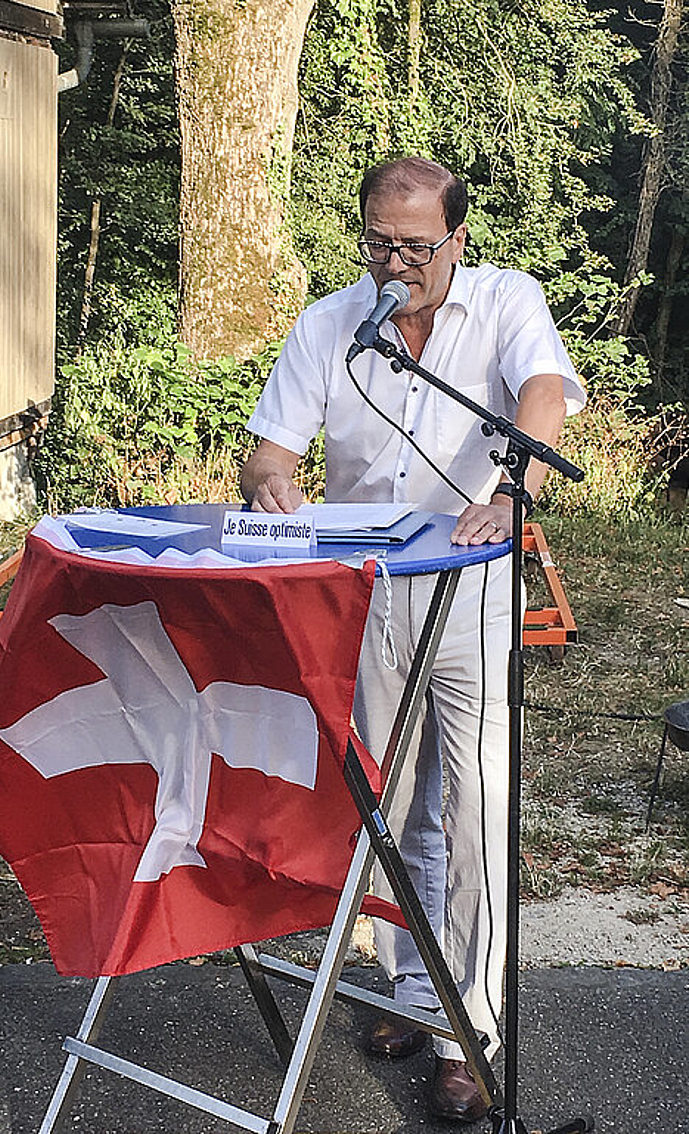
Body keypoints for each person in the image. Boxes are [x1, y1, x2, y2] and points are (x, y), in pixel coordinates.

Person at [240, 156, 585, 1124]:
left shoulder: (507, 301)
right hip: (369, 595)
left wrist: (509, 493)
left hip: (471, 589)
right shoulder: (328, 324)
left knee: (471, 804)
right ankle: (410, 992)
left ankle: (469, 1032)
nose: (394, 264)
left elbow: (543, 396)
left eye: (415, 247)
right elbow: (270, 444)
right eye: (378, 243)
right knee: (381, 800)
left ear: (456, 241)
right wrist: (268, 480)